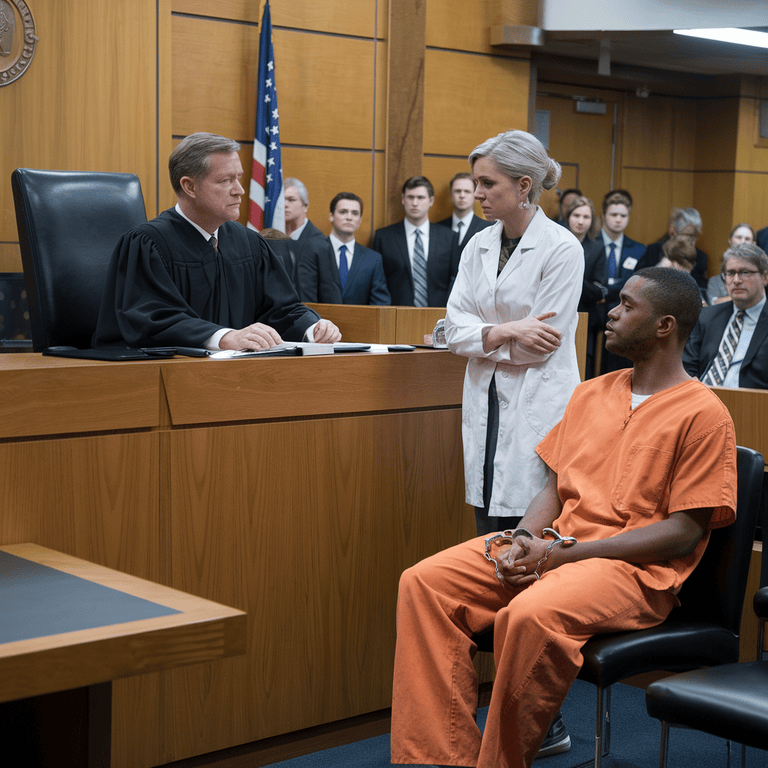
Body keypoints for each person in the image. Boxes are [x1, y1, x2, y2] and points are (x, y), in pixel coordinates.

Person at [392, 267, 737, 768]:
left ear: (665, 325)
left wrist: (558, 555)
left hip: (631, 571)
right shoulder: (591, 392)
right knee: (424, 583)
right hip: (555, 546)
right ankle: (436, 759)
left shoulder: (704, 415)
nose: (611, 313)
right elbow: (552, 487)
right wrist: (525, 541)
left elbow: (685, 532)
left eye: (625, 305)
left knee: (528, 615)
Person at [445, 130, 583, 537]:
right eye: (475, 184)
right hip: (484, 399)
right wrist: (507, 330)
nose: (477, 194)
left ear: (524, 186)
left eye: (488, 184)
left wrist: (482, 341)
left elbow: (540, 346)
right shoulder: (477, 245)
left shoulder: (562, 247)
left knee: (525, 531)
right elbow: (453, 331)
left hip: (536, 403)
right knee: (485, 528)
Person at [93, 133, 341, 350]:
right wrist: (223, 337)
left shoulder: (249, 244)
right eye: (225, 180)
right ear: (189, 186)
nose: (239, 190)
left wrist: (312, 327)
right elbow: (151, 320)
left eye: (239, 178)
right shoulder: (149, 244)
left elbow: (280, 310)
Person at [683, 242, 768, 389]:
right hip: (702, 401)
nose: (736, 280)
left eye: (745, 272)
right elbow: (686, 367)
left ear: (764, 277)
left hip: (753, 406)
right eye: (730, 273)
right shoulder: (706, 317)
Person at [373, 176, 460, 306]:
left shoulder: (449, 237)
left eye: (420, 197)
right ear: (403, 199)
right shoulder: (384, 237)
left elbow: (455, 280)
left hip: (439, 316)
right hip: (397, 315)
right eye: (410, 197)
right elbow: (378, 282)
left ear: (431, 201)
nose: (414, 203)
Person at [297, 193, 391, 305]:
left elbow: (380, 304)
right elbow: (306, 298)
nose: (349, 217)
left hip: (360, 321)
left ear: (360, 219)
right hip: (320, 321)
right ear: (331, 216)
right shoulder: (313, 251)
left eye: (355, 213)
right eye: (343, 212)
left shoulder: (373, 259)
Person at [597, 191, 646, 373]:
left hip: (624, 318)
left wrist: (603, 290)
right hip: (594, 315)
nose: (618, 220)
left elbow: (635, 286)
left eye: (623, 216)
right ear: (603, 216)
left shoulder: (639, 250)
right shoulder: (589, 245)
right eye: (613, 215)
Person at [637, 207, 708, 290]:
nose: (693, 240)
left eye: (696, 236)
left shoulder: (700, 257)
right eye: (689, 235)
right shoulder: (654, 251)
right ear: (673, 232)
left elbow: (701, 288)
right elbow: (638, 280)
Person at [438, 172, 493, 253]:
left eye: (467, 191)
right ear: (451, 194)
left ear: (475, 195)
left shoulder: (489, 229)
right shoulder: (439, 228)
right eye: (457, 191)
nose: (462, 195)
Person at [707, 223, 755, 305]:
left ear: (754, 244)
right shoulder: (715, 281)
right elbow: (714, 305)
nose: (742, 242)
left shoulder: (757, 276)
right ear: (730, 240)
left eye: (747, 239)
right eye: (739, 237)